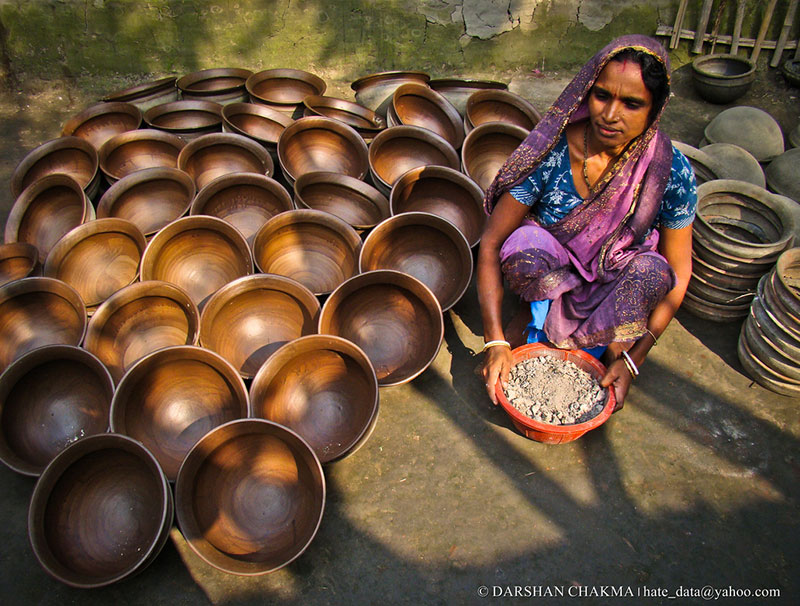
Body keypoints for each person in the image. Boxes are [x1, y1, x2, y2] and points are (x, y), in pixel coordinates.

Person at [477, 34, 696, 410]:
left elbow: (680, 272)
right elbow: (492, 244)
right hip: (552, 275)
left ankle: (608, 344)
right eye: (602, 96)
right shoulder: (553, 150)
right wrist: (494, 341)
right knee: (524, 245)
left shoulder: (669, 171)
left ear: (654, 109)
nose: (611, 115)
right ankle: (533, 320)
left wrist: (634, 359)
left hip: (616, 278)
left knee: (653, 272)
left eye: (632, 103)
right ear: (586, 92)